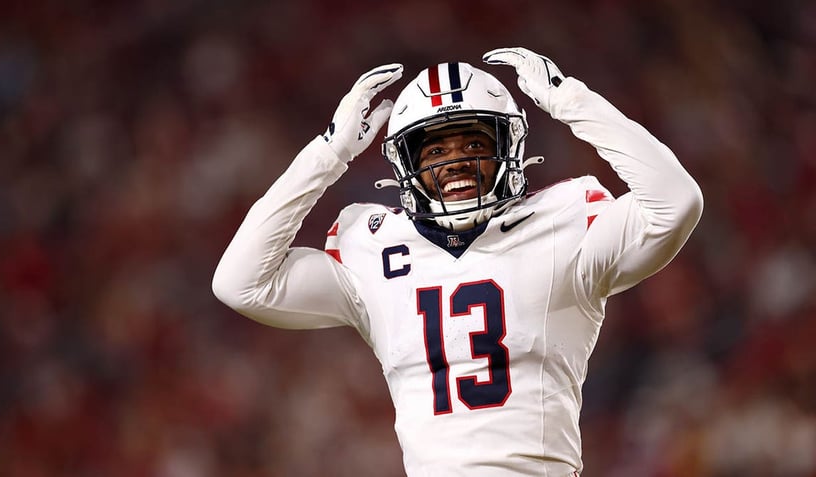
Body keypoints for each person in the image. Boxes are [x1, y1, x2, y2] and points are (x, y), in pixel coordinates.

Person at [212, 47, 703, 476]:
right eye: (436, 150)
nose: (456, 161)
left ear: (508, 148)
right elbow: (240, 283)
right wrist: (328, 153)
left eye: (474, 143)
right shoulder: (374, 247)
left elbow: (676, 201)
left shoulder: (563, 224)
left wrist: (571, 101)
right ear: (408, 167)